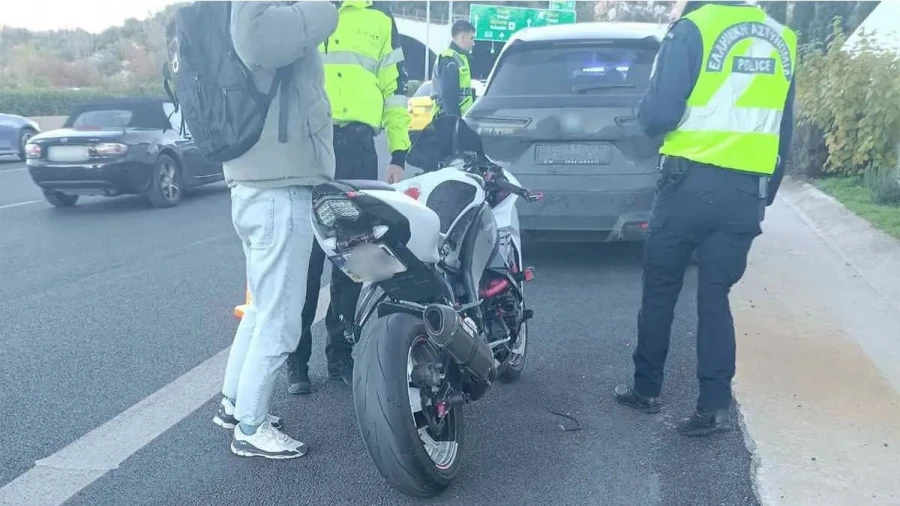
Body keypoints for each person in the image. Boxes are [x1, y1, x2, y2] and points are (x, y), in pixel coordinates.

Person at [613, 0, 796, 437]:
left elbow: (660, 113)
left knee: (661, 288)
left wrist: (643, 115)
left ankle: (646, 389)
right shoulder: (783, 38)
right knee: (716, 296)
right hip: (744, 192)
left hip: (687, 186)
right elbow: (784, 125)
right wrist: (767, 191)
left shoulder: (692, 30)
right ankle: (713, 406)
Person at [210, 1, 338, 460]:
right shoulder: (260, 13)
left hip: (258, 182)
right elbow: (261, 40)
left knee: (262, 309)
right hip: (278, 187)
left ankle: (234, 405)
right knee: (281, 317)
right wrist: (324, 8)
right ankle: (251, 426)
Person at [285, 0, 411, 393]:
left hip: (357, 148)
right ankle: (296, 359)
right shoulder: (300, 10)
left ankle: (340, 354)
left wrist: (398, 152)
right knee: (304, 261)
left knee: (353, 258)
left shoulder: (379, 18)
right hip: (309, 147)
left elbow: (395, 89)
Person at [431, 20, 477, 119]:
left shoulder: (459, 58)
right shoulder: (449, 59)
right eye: (471, 38)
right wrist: (454, 122)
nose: (473, 43)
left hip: (455, 118)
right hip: (447, 119)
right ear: (462, 38)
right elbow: (449, 97)